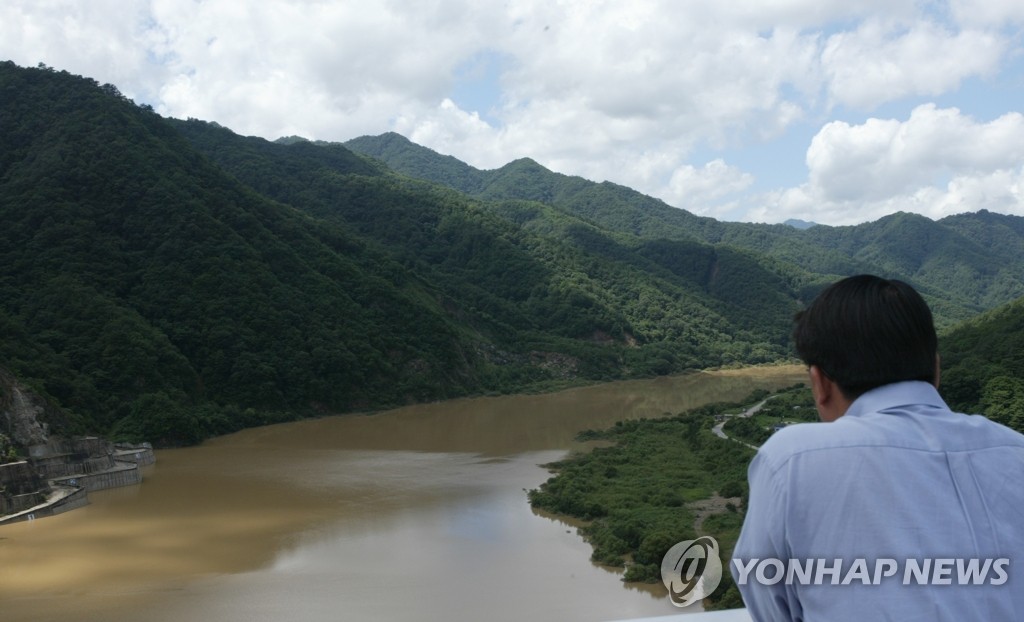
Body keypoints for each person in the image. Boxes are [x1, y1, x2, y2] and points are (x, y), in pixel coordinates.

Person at [732, 274, 1024, 621]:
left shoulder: (792, 457)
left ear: (819, 382)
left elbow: (768, 596)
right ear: (936, 367)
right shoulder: (1014, 448)